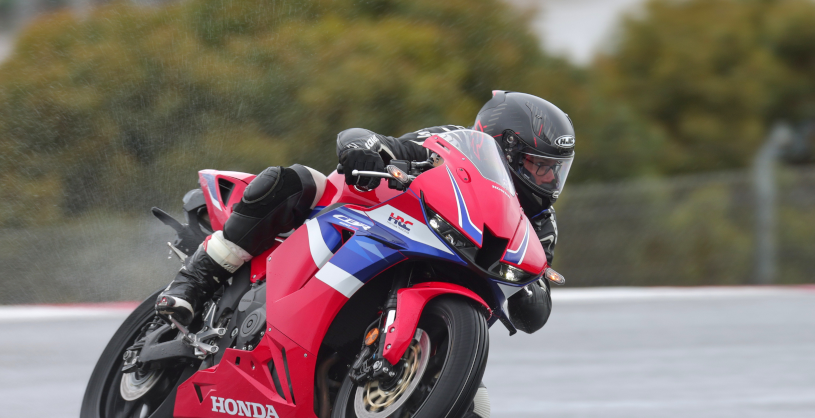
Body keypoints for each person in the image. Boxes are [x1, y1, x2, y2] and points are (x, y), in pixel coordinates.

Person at [156, 90, 574, 338]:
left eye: (555, 169)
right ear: (505, 147)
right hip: (375, 218)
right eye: (540, 165)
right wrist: (367, 149)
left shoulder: (539, 226)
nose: (548, 178)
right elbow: (382, 142)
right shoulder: (453, 144)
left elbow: (534, 309)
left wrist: (532, 290)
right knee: (295, 180)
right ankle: (195, 281)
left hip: (443, 304)